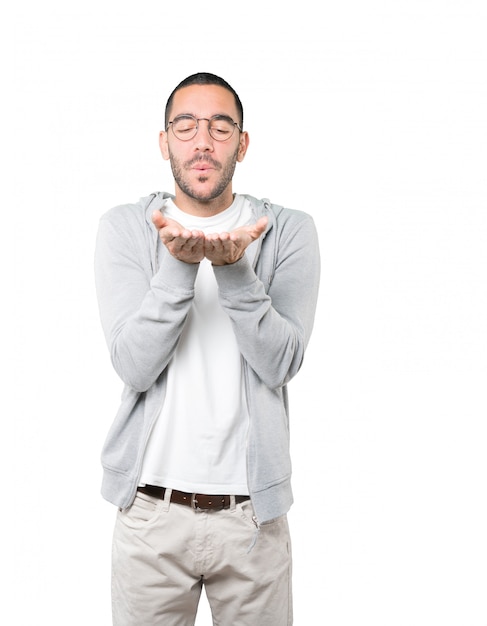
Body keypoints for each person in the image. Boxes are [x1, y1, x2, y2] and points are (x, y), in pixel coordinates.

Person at [94, 72, 320, 626]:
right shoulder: (126, 227)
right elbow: (134, 365)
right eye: (186, 125)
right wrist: (179, 265)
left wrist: (233, 271)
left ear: (242, 144)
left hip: (253, 524)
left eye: (221, 127)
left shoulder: (287, 230)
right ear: (164, 140)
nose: (202, 141)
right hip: (149, 518)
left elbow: (281, 363)